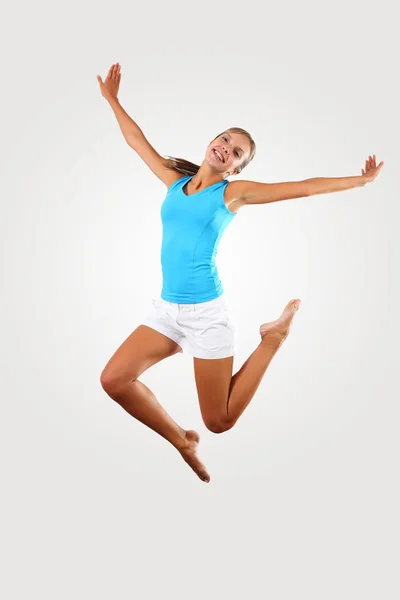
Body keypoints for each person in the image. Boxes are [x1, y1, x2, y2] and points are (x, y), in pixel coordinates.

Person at [96, 63, 384, 483]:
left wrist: (359, 181)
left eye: (236, 153)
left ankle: (274, 337)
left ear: (235, 169)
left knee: (221, 420)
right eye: (225, 139)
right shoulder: (176, 182)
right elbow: (137, 142)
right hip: (166, 310)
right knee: (114, 380)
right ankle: (182, 441)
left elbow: (301, 186)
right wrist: (112, 99)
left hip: (206, 314)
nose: (226, 148)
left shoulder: (231, 193)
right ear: (212, 141)